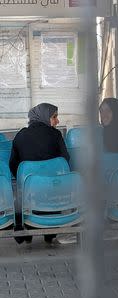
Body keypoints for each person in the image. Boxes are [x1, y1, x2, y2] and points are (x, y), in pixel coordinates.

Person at [9, 103, 69, 245]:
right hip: (54, 195)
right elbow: (65, 160)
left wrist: (27, 178)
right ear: (44, 117)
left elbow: (13, 165)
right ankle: (50, 232)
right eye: (54, 117)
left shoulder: (20, 135)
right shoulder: (55, 135)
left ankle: (26, 227)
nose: (57, 121)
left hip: (30, 195)